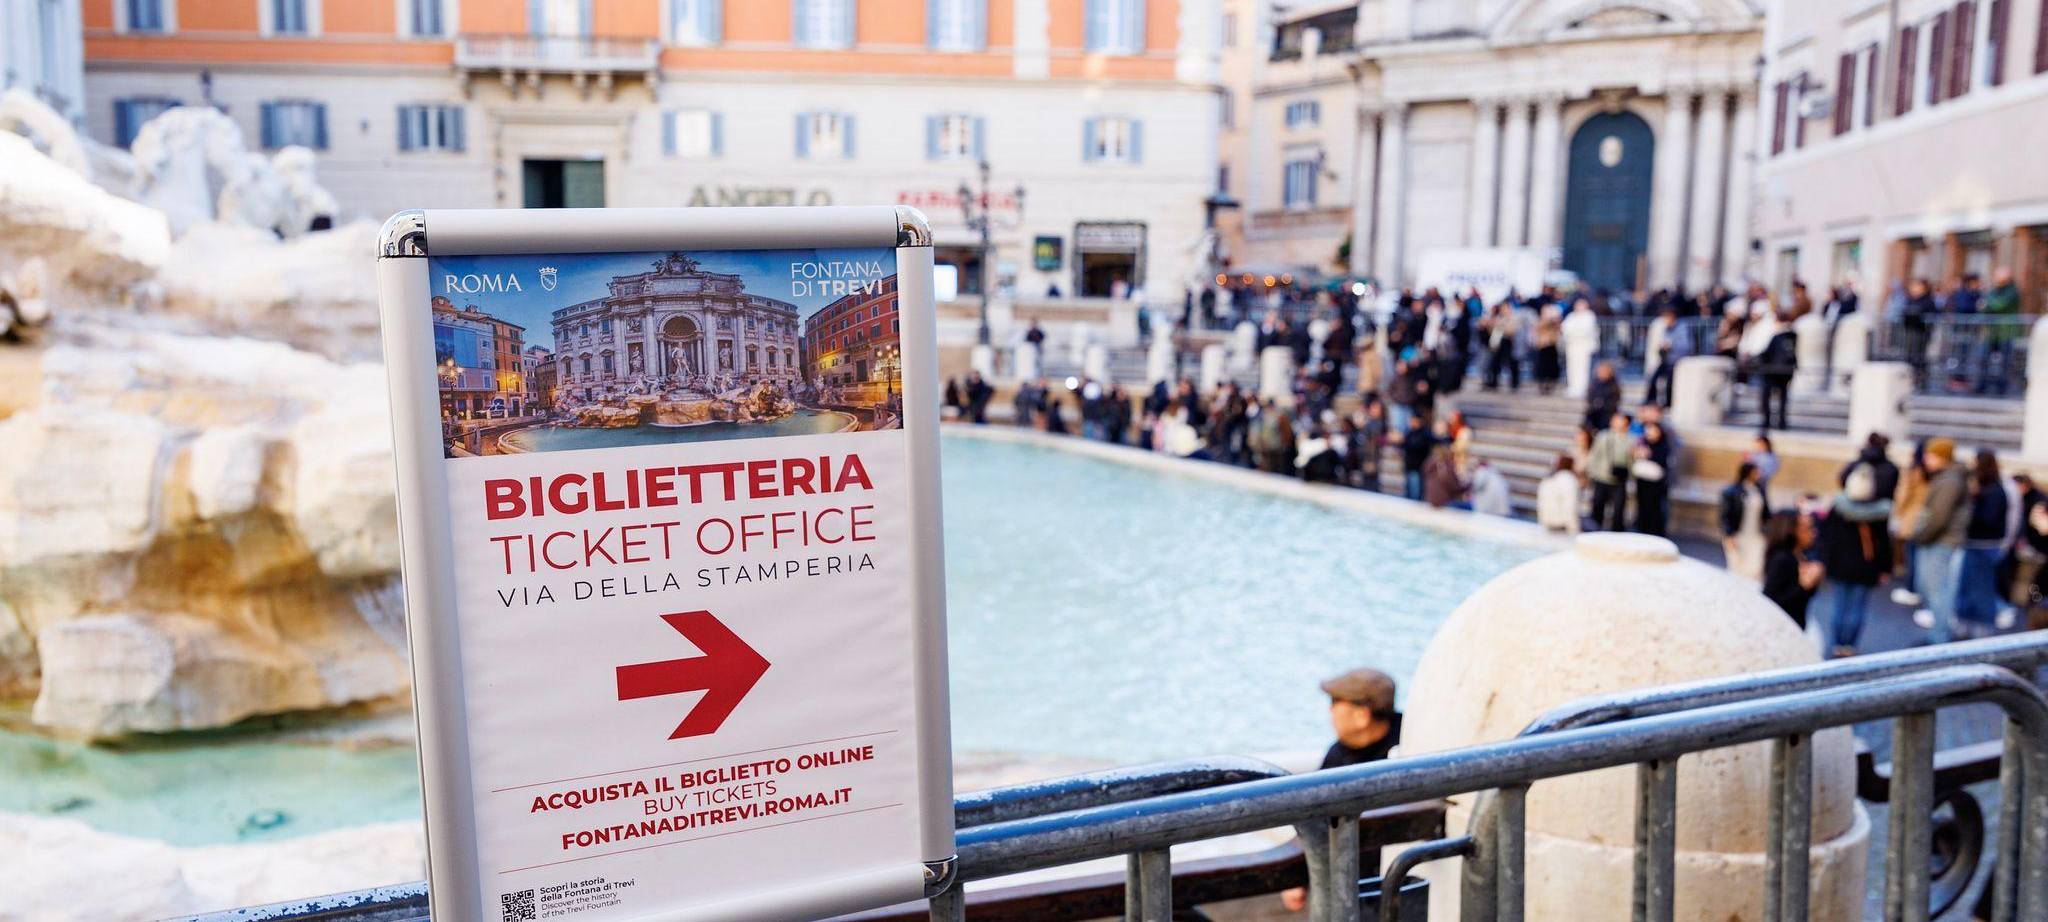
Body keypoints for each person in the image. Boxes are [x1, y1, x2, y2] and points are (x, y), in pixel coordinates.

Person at [1279, 667, 1404, 913]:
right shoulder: (1340, 753)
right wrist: (1296, 876)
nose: (1330, 710)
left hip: (1389, 883)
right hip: (1350, 883)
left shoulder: (1408, 748)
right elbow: (1314, 816)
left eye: (1336, 702)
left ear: (1362, 715)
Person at [1817, 463, 1894, 657]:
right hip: (1865, 567)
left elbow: (1828, 538)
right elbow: (1884, 544)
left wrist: (1824, 561)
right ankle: (1849, 645)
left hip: (1840, 564)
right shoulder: (1879, 512)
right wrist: (1885, 568)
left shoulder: (1838, 507)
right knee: (1857, 608)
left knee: (1840, 607)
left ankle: (1837, 643)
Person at [1909, 438, 1970, 644]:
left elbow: (1938, 517)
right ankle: (1937, 635)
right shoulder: (1946, 477)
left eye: (1931, 455)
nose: (1926, 459)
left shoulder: (1950, 480)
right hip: (1937, 540)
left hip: (1941, 541)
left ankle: (1939, 639)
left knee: (1938, 592)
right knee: (1932, 589)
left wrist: (1921, 536)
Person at [1955, 449, 2011, 636]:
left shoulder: (1994, 491)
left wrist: (1973, 501)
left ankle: (1981, 632)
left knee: (1981, 590)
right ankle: (1965, 626)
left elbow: (1987, 519)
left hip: (1984, 546)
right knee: (1968, 587)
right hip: (1977, 544)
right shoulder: (1991, 488)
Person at [1761, 511, 1823, 629]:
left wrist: (1812, 582)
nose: (1814, 533)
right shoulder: (1782, 559)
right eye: (1808, 528)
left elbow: (1804, 596)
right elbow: (1770, 599)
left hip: (1794, 626)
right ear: (1792, 531)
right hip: (1781, 629)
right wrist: (1803, 586)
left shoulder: (1799, 556)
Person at [1720, 461, 1771, 583]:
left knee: (1756, 567)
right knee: (1737, 568)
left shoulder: (1760, 490)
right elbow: (1725, 516)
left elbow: (1767, 513)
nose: (1758, 475)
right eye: (1755, 472)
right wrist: (1728, 535)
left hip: (1756, 535)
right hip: (1739, 534)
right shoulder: (1732, 491)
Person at [1587, 412, 1634, 531]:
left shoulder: (1631, 440)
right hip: (1602, 477)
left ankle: (1616, 535)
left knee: (1618, 512)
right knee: (1597, 508)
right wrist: (1593, 472)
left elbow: (1632, 461)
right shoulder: (1603, 436)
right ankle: (1594, 532)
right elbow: (1594, 456)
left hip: (1620, 479)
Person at [1756, 312, 1797, 430]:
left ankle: (1767, 421)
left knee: (1767, 396)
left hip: (1773, 372)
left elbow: (1767, 354)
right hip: (1786, 372)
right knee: (1782, 398)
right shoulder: (1793, 336)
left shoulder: (1778, 337)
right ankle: (1781, 422)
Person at [1632, 421, 1673, 536]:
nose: (1650, 433)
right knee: (1642, 506)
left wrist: (1649, 455)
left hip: (1656, 484)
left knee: (1654, 508)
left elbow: (1663, 461)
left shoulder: (1663, 445)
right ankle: (1641, 528)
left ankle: (1654, 532)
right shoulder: (1643, 443)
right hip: (1642, 480)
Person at [1480, 302, 1522, 391]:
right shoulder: (1498, 318)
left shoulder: (1513, 318)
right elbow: (1491, 330)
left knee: (1511, 363)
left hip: (1509, 343)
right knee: (1495, 363)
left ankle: (1514, 383)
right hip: (1498, 343)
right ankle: (1494, 381)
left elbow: (1512, 330)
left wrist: (1501, 326)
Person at [1537, 454, 1582, 533]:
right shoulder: (1569, 480)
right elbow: (1570, 507)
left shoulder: (1548, 480)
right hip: (1561, 525)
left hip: (1547, 522)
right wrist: (1574, 530)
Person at [1422, 443, 1469, 509]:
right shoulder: (1445, 466)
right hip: (1444, 503)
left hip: (1431, 501)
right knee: (1469, 506)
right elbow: (1454, 487)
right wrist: (1468, 486)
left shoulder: (1431, 465)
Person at [1400, 413, 1435, 501]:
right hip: (1409, 466)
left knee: (1415, 493)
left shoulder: (1425, 433)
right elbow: (1404, 445)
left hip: (1418, 467)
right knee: (1408, 491)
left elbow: (1417, 445)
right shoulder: (1409, 432)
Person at [1531, 305, 1563, 394]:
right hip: (1543, 346)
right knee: (1542, 366)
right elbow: (1539, 328)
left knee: (1551, 366)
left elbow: (1559, 330)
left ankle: (1550, 383)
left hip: (1552, 345)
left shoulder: (1555, 322)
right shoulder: (1540, 321)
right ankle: (1542, 383)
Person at [1585, 361, 1623, 430]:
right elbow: (1590, 397)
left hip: (1607, 413)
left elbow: (1615, 400)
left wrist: (1602, 404)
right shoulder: (1594, 384)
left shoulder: (1613, 385)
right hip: (1594, 412)